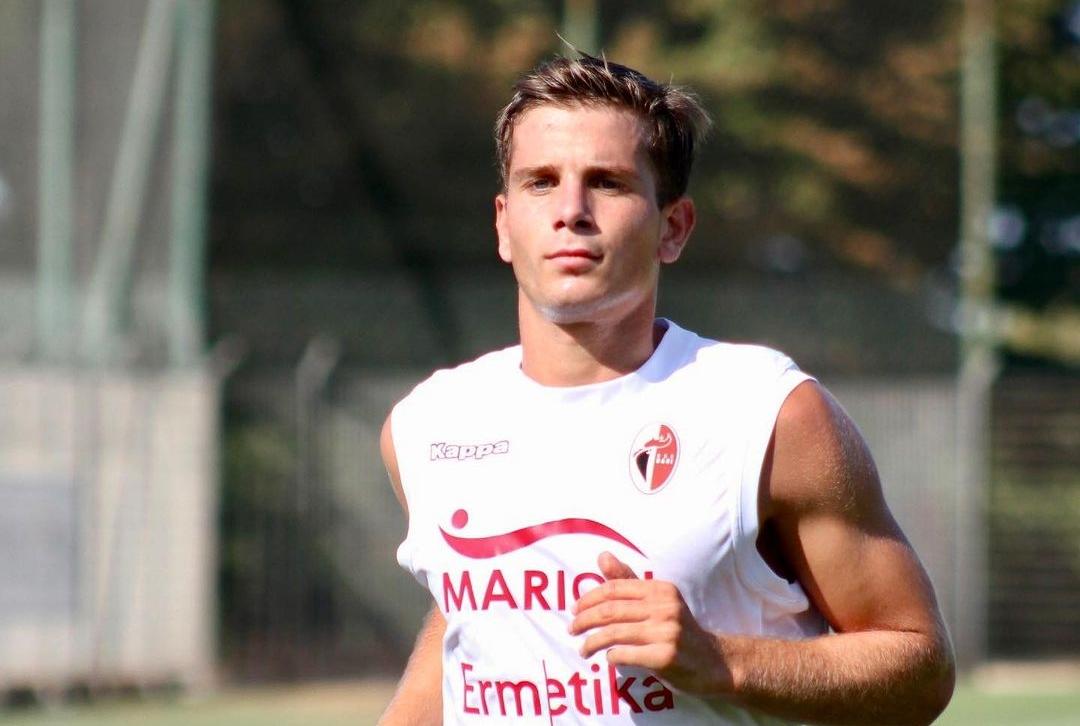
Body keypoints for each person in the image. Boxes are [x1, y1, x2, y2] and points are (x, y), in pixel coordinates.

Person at [378, 53, 955, 725]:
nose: (570, 211)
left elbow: (920, 668)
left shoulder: (765, 414)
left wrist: (723, 661)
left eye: (608, 183)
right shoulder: (427, 426)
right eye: (542, 182)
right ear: (504, 224)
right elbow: (466, 629)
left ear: (673, 228)